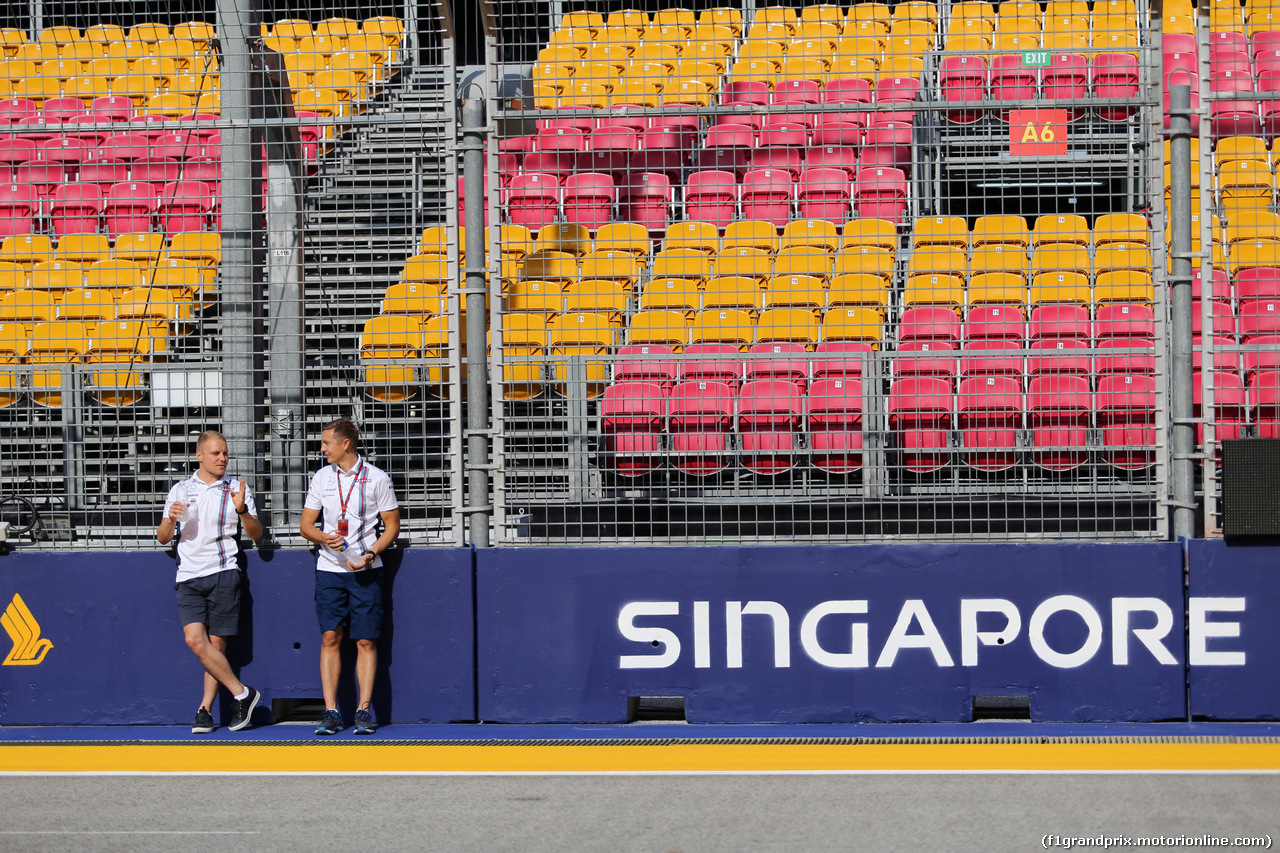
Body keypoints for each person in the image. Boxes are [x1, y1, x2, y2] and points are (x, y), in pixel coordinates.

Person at [157, 430, 264, 734]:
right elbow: (163, 537)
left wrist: (242, 509)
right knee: (195, 640)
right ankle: (243, 693)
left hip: (223, 570)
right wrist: (170, 520)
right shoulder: (180, 490)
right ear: (199, 455)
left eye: (226, 453)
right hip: (189, 574)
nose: (222, 459)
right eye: (216, 453)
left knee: (217, 643)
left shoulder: (237, 488)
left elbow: (256, 534)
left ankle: (204, 709)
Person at [299, 418, 400, 735]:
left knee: (367, 641)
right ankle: (330, 712)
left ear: (345, 444)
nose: (322, 448)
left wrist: (370, 554)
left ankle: (363, 711)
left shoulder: (376, 478)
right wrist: (321, 538)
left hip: (366, 571)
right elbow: (306, 525)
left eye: (326, 442)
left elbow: (392, 526)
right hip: (329, 569)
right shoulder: (321, 477)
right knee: (330, 637)